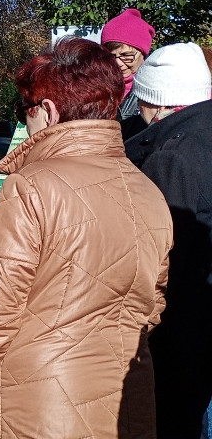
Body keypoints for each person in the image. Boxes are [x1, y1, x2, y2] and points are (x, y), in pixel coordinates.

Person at [0, 37, 173, 438]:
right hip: (129, 389)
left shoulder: (30, 188)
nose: (24, 120)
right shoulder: (148, 190)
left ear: (48, 111)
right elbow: (152, 304)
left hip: (38, 398)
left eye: (25, 110)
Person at [122, 42, 212, 438]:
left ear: (157, 101)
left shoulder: (174, 158)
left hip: (186, 327)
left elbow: (162, 254)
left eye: (141, 97)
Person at [100, 8, 155, 138]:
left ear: (143, 53)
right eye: (111, 56)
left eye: (127, 55)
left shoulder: (156, 89)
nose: (118, 63)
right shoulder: (95, 85)